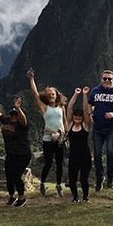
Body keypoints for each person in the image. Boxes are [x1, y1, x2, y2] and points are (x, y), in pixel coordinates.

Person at [27, 68, 68, 197]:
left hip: (60, 138)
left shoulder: (62, 107)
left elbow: (65, 122)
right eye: (49, 94)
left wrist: (64, 134)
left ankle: (58, 185)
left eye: (53, 93)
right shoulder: (44, 108)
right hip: (48, 138)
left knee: (60, 163)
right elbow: (34, 94)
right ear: (46, 96)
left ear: (56, 95)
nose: (51, 95)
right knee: (49, 162)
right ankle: (43, 183)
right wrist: (32, 79)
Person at [87, 69, 113, 191]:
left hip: (112, 127)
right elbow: (89, 103)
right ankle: (99, 178)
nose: (107, 81)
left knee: (110, 152)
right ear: (101, 79)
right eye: (105, 79)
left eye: (109, 79)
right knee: (97, 154)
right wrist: (90, 113)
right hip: (97, 127)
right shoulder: (95, 91)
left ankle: (110, 177)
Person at [0, 97, 31, 207]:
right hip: (11, 154)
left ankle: (22, 197)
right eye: (12, 114)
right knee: (9, 176)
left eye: (16, 115)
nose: (14, 116)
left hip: (23, 154)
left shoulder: (22, 125)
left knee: (16, 175)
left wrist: (18, 108)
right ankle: (12, 196)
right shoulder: (6, 121)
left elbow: (24, 120)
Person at [66, 87, 92, 203]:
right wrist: (76, 94)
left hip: (85, 156)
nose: (77, 117)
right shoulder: (69, 125)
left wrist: (85, 95)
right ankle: (75, 197)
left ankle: (85, 197)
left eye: (79, 116)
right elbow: (70, 108)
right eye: (75, 115)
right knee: (72, 179)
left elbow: (86, 110)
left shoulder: (85, 126)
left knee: (83, 179)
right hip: (73, 156)